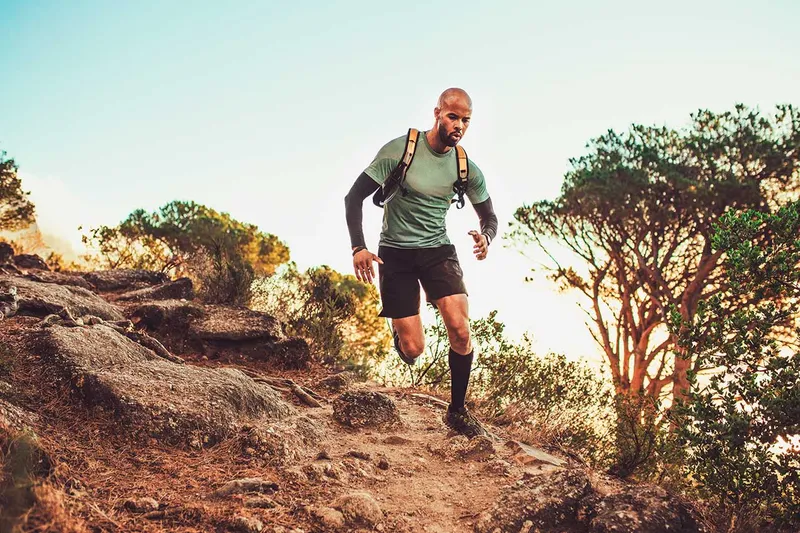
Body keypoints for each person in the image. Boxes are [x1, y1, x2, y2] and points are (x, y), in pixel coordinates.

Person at [344, 88, 498, 438]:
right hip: (395, 252)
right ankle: (401, 335)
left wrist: (486, 237)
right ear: (437, 113)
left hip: (437, 251)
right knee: (414, 350)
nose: (459, 125)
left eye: (466, 120)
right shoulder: (401, 151)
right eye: (453, 117)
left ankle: (457, 410)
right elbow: (353, 198)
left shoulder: (465, 167)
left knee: (460, 328)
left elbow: (490, 216)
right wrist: (359, 248)